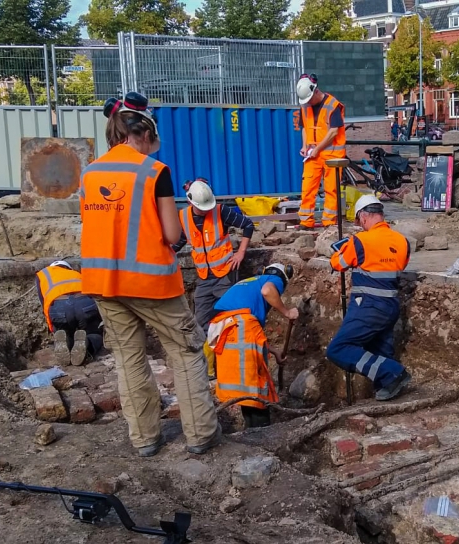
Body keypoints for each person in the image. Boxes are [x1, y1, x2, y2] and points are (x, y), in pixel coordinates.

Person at [79, 91, 220, 458]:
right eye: (151, 142)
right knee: (187, 350)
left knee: (129, 358)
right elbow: (173, 235)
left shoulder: (90, 173)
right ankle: (200, 435)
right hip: (150, 281)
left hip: (103, 283)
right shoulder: (154, 172)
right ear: (142, 135)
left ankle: (144, 440)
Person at [327, 195, 411, 401]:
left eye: (359, 221)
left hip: (368, 306)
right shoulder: (403, 241)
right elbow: (400, 265)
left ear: (363, 217)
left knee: (338, 349)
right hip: (390, 305)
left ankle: (394, 372)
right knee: (381, 352)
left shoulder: (360, 240)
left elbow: (339, 264)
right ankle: (388, 389)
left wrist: (343, 248)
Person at [172, 178, 254, 376]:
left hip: (225, 275)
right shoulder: (183, 217)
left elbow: (248, 225)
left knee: (231, 319)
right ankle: (209, 369)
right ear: (190, 202)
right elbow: (180, 242)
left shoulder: (220, 211)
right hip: (204, 278)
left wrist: (240, 253)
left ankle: (233, 363)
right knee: (200, 323)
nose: (205, 211)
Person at [208, 263, 298, 429]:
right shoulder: (274, 279)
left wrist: (274, 351)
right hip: (240, 326)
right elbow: (267, 291)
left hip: (224, 329)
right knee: (256, 385)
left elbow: (251, 334)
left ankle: (251, 431)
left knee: (244, 388)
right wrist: (287, 312)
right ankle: (262, 431)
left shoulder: (249, 282)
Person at [295, 73, 346, 230]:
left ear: (316, 91)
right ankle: (306, 221)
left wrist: (317, 149)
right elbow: (304, 127)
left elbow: (333, 132)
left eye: (309, 100)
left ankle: (329, 222)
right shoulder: (305, 106)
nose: (308, 103)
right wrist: (305, 146)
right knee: (308, 187)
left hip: (332, 155)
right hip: (313, 154)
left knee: (331, 189)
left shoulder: (333, 105)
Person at [35, 261, 103, 367]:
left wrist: (53, 328)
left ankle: (66, 341)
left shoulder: (43, 274)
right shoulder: (76, 273)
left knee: (64, 331)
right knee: (93, 333)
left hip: (59, 306)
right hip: (84, 303)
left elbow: (44, 303)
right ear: (68, 268)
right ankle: (88, 342)